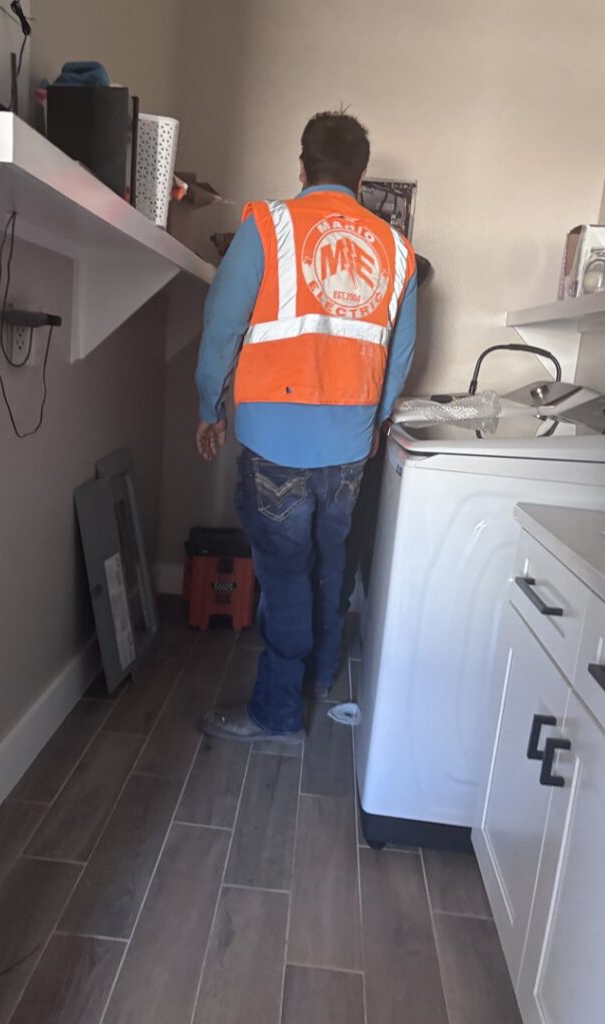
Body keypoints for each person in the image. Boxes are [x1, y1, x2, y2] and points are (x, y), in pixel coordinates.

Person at [194, 111, 418, 744]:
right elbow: (399, 355)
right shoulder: (397, 251)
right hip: (350, 443)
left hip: (275, 441)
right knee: (330, 559)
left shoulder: (268, 226)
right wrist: (376, 420)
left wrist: (209, 408)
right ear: (363, 175)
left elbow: (221, 328)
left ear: (302, 165)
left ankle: (278, 712)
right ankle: (319, 678)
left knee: (285, 573)